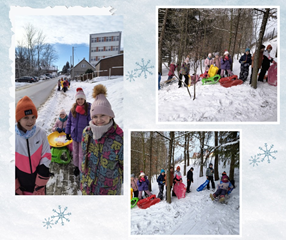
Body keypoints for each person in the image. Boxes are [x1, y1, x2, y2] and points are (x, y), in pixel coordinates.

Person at [80, 84, 123, 195]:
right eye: (95, 116)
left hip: (109, 191)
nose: (99, 120)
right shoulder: (87, 133)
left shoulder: (119, 138)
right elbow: (84, 156)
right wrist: (83, 178)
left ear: (110, 115)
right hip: (88, 187)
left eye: (103, 115)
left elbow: (123, 166)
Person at [15, 96, 51, 195]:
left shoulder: (41, 133)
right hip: (21, 185)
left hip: (39, 184)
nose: (30, 121)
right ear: (19, 119)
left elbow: (46, 155)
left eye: (33, 117)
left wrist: (40, 185)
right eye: (26, 118)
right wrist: (15, 187)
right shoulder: (13, 138)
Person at [65, 88, 91, 176]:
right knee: (75, 152)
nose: (80, 101)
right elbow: (69, 122)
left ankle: (81, 168)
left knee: (81, 154)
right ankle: (76, 166)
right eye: (78, 99)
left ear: (85, 99)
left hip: (83, 136)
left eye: (82, 99)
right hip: (74, 134)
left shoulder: (88, 109)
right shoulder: (73, 109)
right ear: (76, 100)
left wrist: (89, 134)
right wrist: (67, 132)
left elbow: (90, 123)